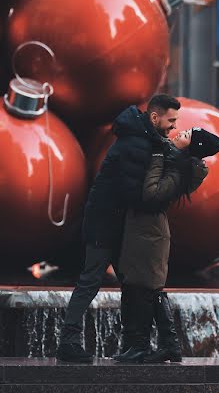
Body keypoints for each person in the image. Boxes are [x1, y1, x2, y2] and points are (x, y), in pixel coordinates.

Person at [56, 94, 182, 363]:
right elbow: (137, 194)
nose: (174, 127)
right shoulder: (136, 144)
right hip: (105, 225)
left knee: (136, 286)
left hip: (121, 228)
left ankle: (139, 345)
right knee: (91, 282)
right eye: (171, 121)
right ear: (155, 117)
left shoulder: (145, 140)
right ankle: (69, 342)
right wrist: (171, 182)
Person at [115, 127, 219, 363]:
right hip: (143, 232)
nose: (179, 134)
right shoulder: (173, 160)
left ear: (192, 148)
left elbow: (152, 193)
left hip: (151, 235)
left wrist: (156, 157)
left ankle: (148, 345)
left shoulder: (177, 170)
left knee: (147, 290)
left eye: (185, 136)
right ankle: (163, 345)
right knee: (144, 289)